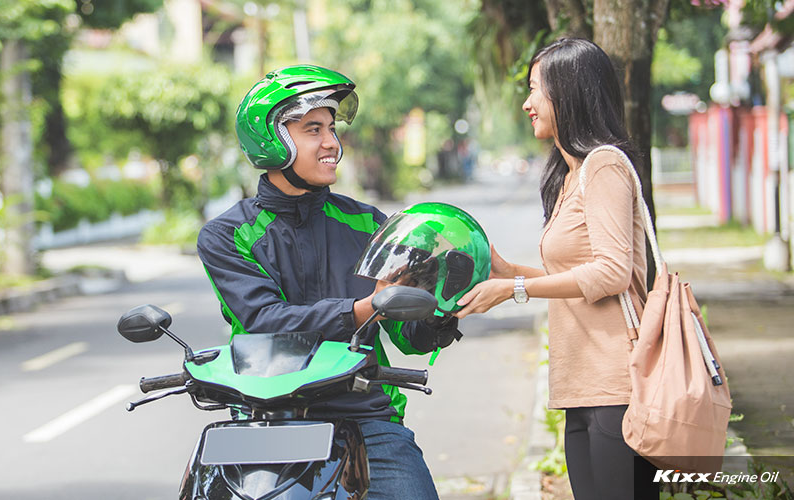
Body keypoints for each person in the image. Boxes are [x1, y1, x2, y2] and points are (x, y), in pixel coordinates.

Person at [196, 65, 467, 500]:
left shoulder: (368, 223)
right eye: (312, 129)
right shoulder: (227, 235)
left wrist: (441, 307)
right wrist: (367, 307)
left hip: (364, 413)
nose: (331, 143)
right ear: (271, 140)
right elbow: (267, 322)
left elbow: (407, 334)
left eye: (332, 128)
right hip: (265, 418)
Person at [453, 38, 659, 499]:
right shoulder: (569, 176)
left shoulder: (604, 166)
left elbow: (611, 273)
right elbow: (577, 274)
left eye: (535, 90)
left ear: (569, 93)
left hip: (617, 383)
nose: (527, 103)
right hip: (580, 384)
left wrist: (515, 291)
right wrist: (507, 271)